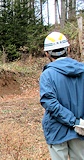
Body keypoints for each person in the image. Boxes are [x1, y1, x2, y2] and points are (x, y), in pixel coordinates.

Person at [39, 31, 84, 159]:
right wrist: (79, 122)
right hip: (81, 129)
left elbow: (50, 103)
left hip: (57, 131)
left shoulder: (47, 75)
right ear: (68, 49)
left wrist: (73, 121)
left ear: (47, 53)